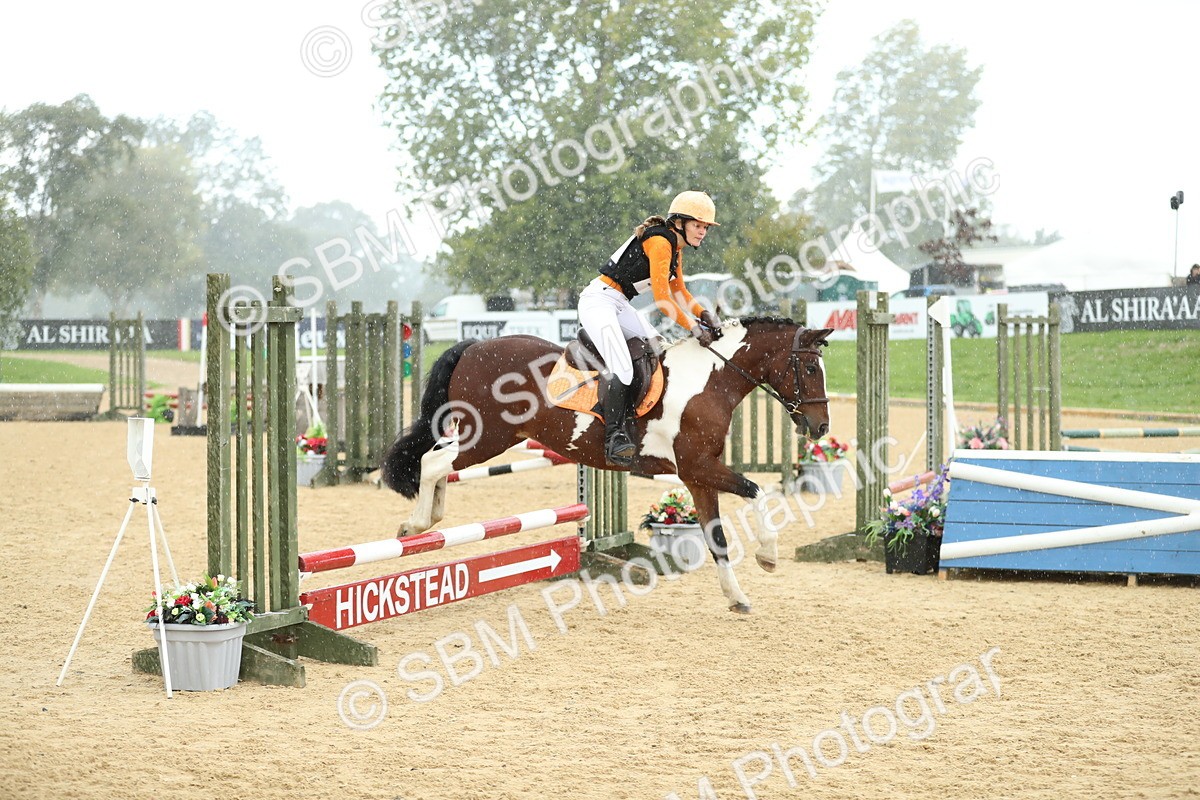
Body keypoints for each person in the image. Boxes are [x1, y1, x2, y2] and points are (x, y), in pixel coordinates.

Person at [577, 190, 723, 467]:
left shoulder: (675, 249)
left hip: (619, 303)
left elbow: (680, 292)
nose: (703, 232)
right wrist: (694, 328)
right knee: (623, 368)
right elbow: (663, 300)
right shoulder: (660, 242)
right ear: (679, 222)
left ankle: (640, 419)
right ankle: (614, 437)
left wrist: (703, 314)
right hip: (598, 301)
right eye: (698, 225)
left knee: (657, 347)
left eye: (706, 227)